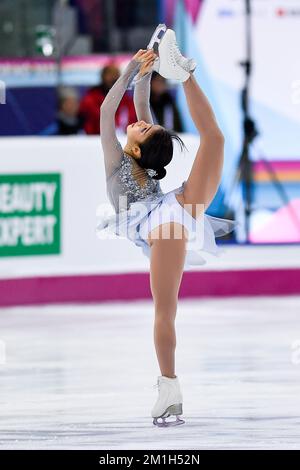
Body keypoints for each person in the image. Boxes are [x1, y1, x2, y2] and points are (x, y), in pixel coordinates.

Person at [96, 26, 236, 427]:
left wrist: (141, 72)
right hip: (161, 220)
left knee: (216, 139)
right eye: (143, 125)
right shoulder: (121, 161)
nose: (140, 122)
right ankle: (169, 388)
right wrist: (141, 70)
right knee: (165, 311)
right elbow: (124, 108)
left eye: (144, 127)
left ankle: (186, 74)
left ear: (138, 148)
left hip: (168, 211)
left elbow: (122, 108)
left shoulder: (125, 155)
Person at [79, 63, 136, 134]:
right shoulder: (91, 99)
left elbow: (132, 121)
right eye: (110, 74)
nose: (114, 78)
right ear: (103, 76)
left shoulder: (127, 100)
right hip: (95, 139)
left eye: (116, 75)